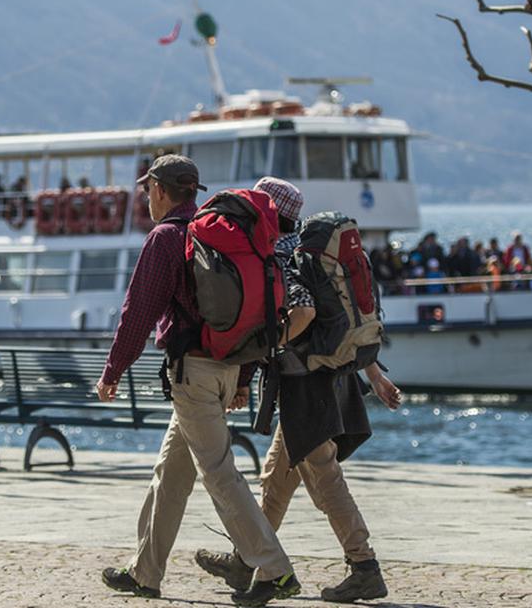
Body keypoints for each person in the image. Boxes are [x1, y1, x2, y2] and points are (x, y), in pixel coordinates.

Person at [97, 156, 299, 606]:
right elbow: (254, 309)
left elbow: (138, 313)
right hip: (226, 367)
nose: (147, 198)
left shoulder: (167, 237)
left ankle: (276, 570)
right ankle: (144, 573)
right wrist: (243, 376)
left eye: (149, 190)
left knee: (219, 474)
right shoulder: (222, 233)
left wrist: (113, 370)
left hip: (195, 373)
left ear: (162, 191)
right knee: (170, 474)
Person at [196, 177, 402, 604]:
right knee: (275, 478)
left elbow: (306, 312)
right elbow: (340, 320)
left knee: (325, 478)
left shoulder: (282, 255)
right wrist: (376, 377)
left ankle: (364, 567)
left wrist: (270, 346)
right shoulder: (311, 252)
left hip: (307, 384)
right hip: (332, 375)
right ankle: (246, 561)